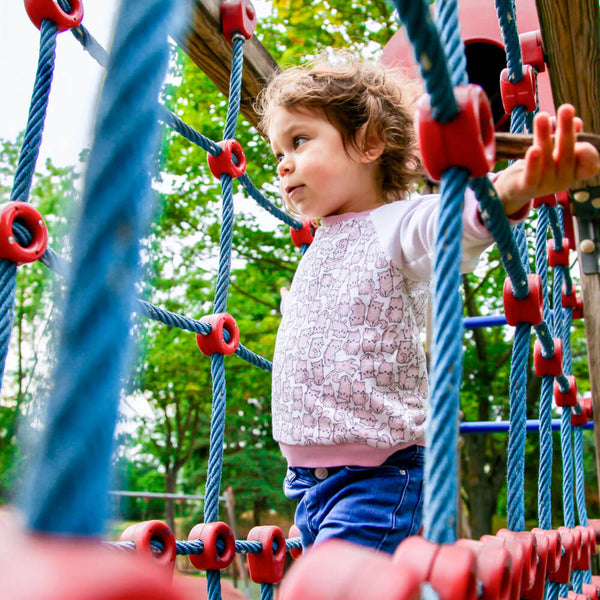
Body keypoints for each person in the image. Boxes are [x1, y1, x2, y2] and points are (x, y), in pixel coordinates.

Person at [254, 54, 600, 554]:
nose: (283, 162)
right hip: (306, 484)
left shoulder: (398, 223)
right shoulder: (319, 243)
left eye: (299, 140)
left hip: (377, 479)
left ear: (370, 141)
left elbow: (450, 222)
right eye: (277, 152)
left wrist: (511, 186)